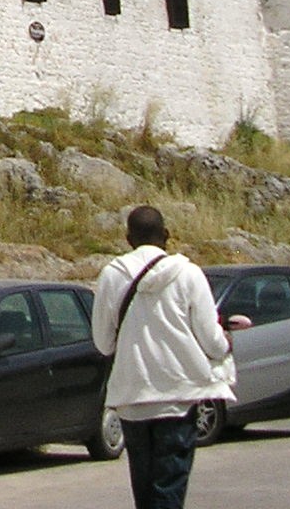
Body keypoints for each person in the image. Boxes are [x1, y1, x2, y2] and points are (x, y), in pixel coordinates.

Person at [92, 204, 249, 509]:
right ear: (166, 234)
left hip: (133, 398)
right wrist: (225, 342)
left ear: (128, 239)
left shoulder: (112, 275)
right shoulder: (188, 274)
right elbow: (211, 340)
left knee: (144, 489)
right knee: (168, 486)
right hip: (178, 396)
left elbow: (103, 343)